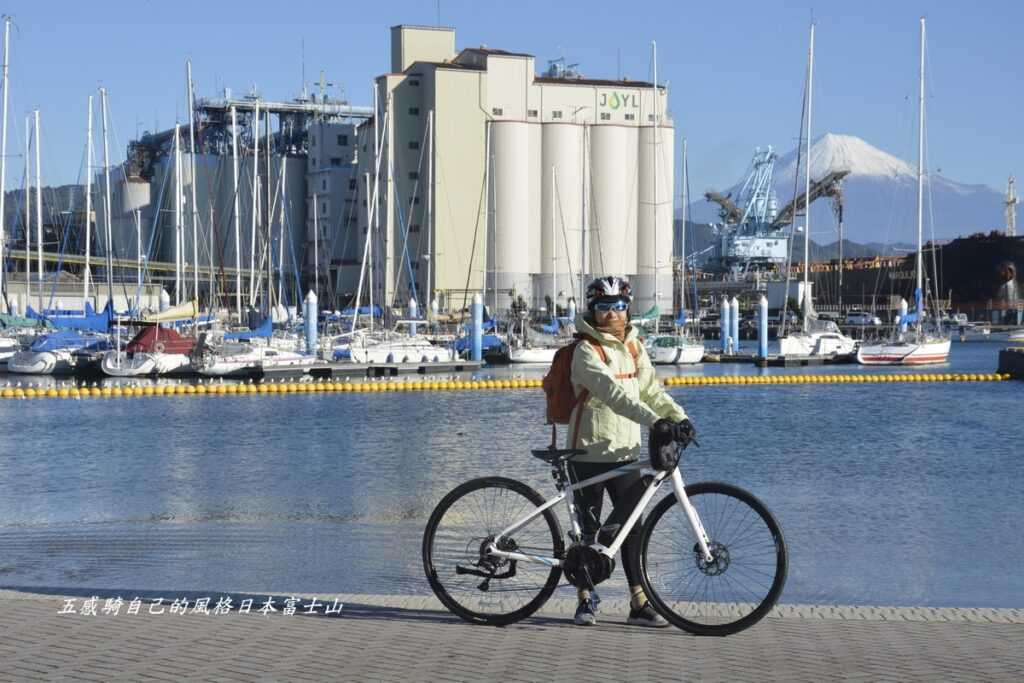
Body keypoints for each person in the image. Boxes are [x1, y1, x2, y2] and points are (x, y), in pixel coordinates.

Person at [567, 275, 694, 627]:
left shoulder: (635, 346)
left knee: (631, 531)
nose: (613, 314)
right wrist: (655, 422)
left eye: (619, 306)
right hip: (587, 451)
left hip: (626, 451)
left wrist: (679, 417)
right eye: (604, 307)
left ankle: (638, 603)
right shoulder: (585, 350)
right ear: (593, 310)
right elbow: (614, 395)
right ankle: (586, 600)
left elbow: (650, 390)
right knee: (588, 534)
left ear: (628, 308)